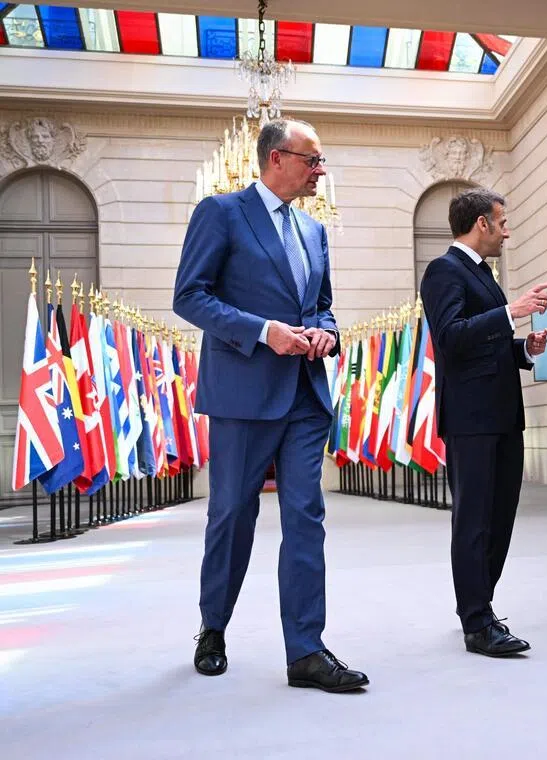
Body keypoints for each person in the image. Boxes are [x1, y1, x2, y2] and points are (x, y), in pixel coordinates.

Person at [173, 119, 368, 693]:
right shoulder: (222, 212)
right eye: (313, 159)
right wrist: (264, 332)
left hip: (305, 395)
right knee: (233, 515)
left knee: (306, 515)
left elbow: (324, 305)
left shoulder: (314, 231)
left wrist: (324, 332)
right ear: (277, 158)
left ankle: (306, 650)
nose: (320, 170)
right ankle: (213, 628)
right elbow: (190, 296)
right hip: (242, 396)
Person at [419, 187, 547, 657]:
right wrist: (509, 312)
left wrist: (522, 349)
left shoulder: (484, 275)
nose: (506, 230)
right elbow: (451, 339)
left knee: (500, 518)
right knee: (474, 521)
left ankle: (483, 606)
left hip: (502, 416)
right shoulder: (443, 271)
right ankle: (475, 622)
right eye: (502, 221)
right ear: (480, 223)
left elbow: (489, 342)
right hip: (471, 419)